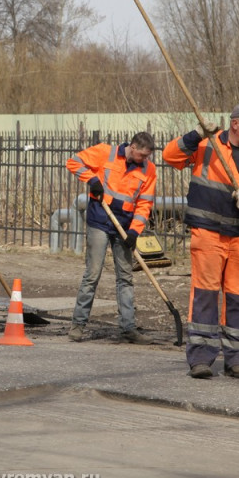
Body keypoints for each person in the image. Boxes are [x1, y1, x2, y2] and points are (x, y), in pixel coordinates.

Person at [163, 102, 239, 379]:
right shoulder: (207, 144)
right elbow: (170, 157)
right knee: (205, 295)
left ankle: (238, 359)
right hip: (208, 232)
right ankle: (201, 359)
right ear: (235, 124)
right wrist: (195, 134)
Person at [65, 132, 157, 344]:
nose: (145, 159)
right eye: (143, 155)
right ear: (132, 147)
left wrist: (134, 231)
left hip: (124, 226)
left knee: (125, 277)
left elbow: (145, 204)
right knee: (92, 274)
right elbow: (73, 162)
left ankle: (128, 328)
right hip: (100, 219)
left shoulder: (149, 169)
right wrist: (92, 179)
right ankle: (78, 325)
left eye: (148, 156)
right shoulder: (105, 153)